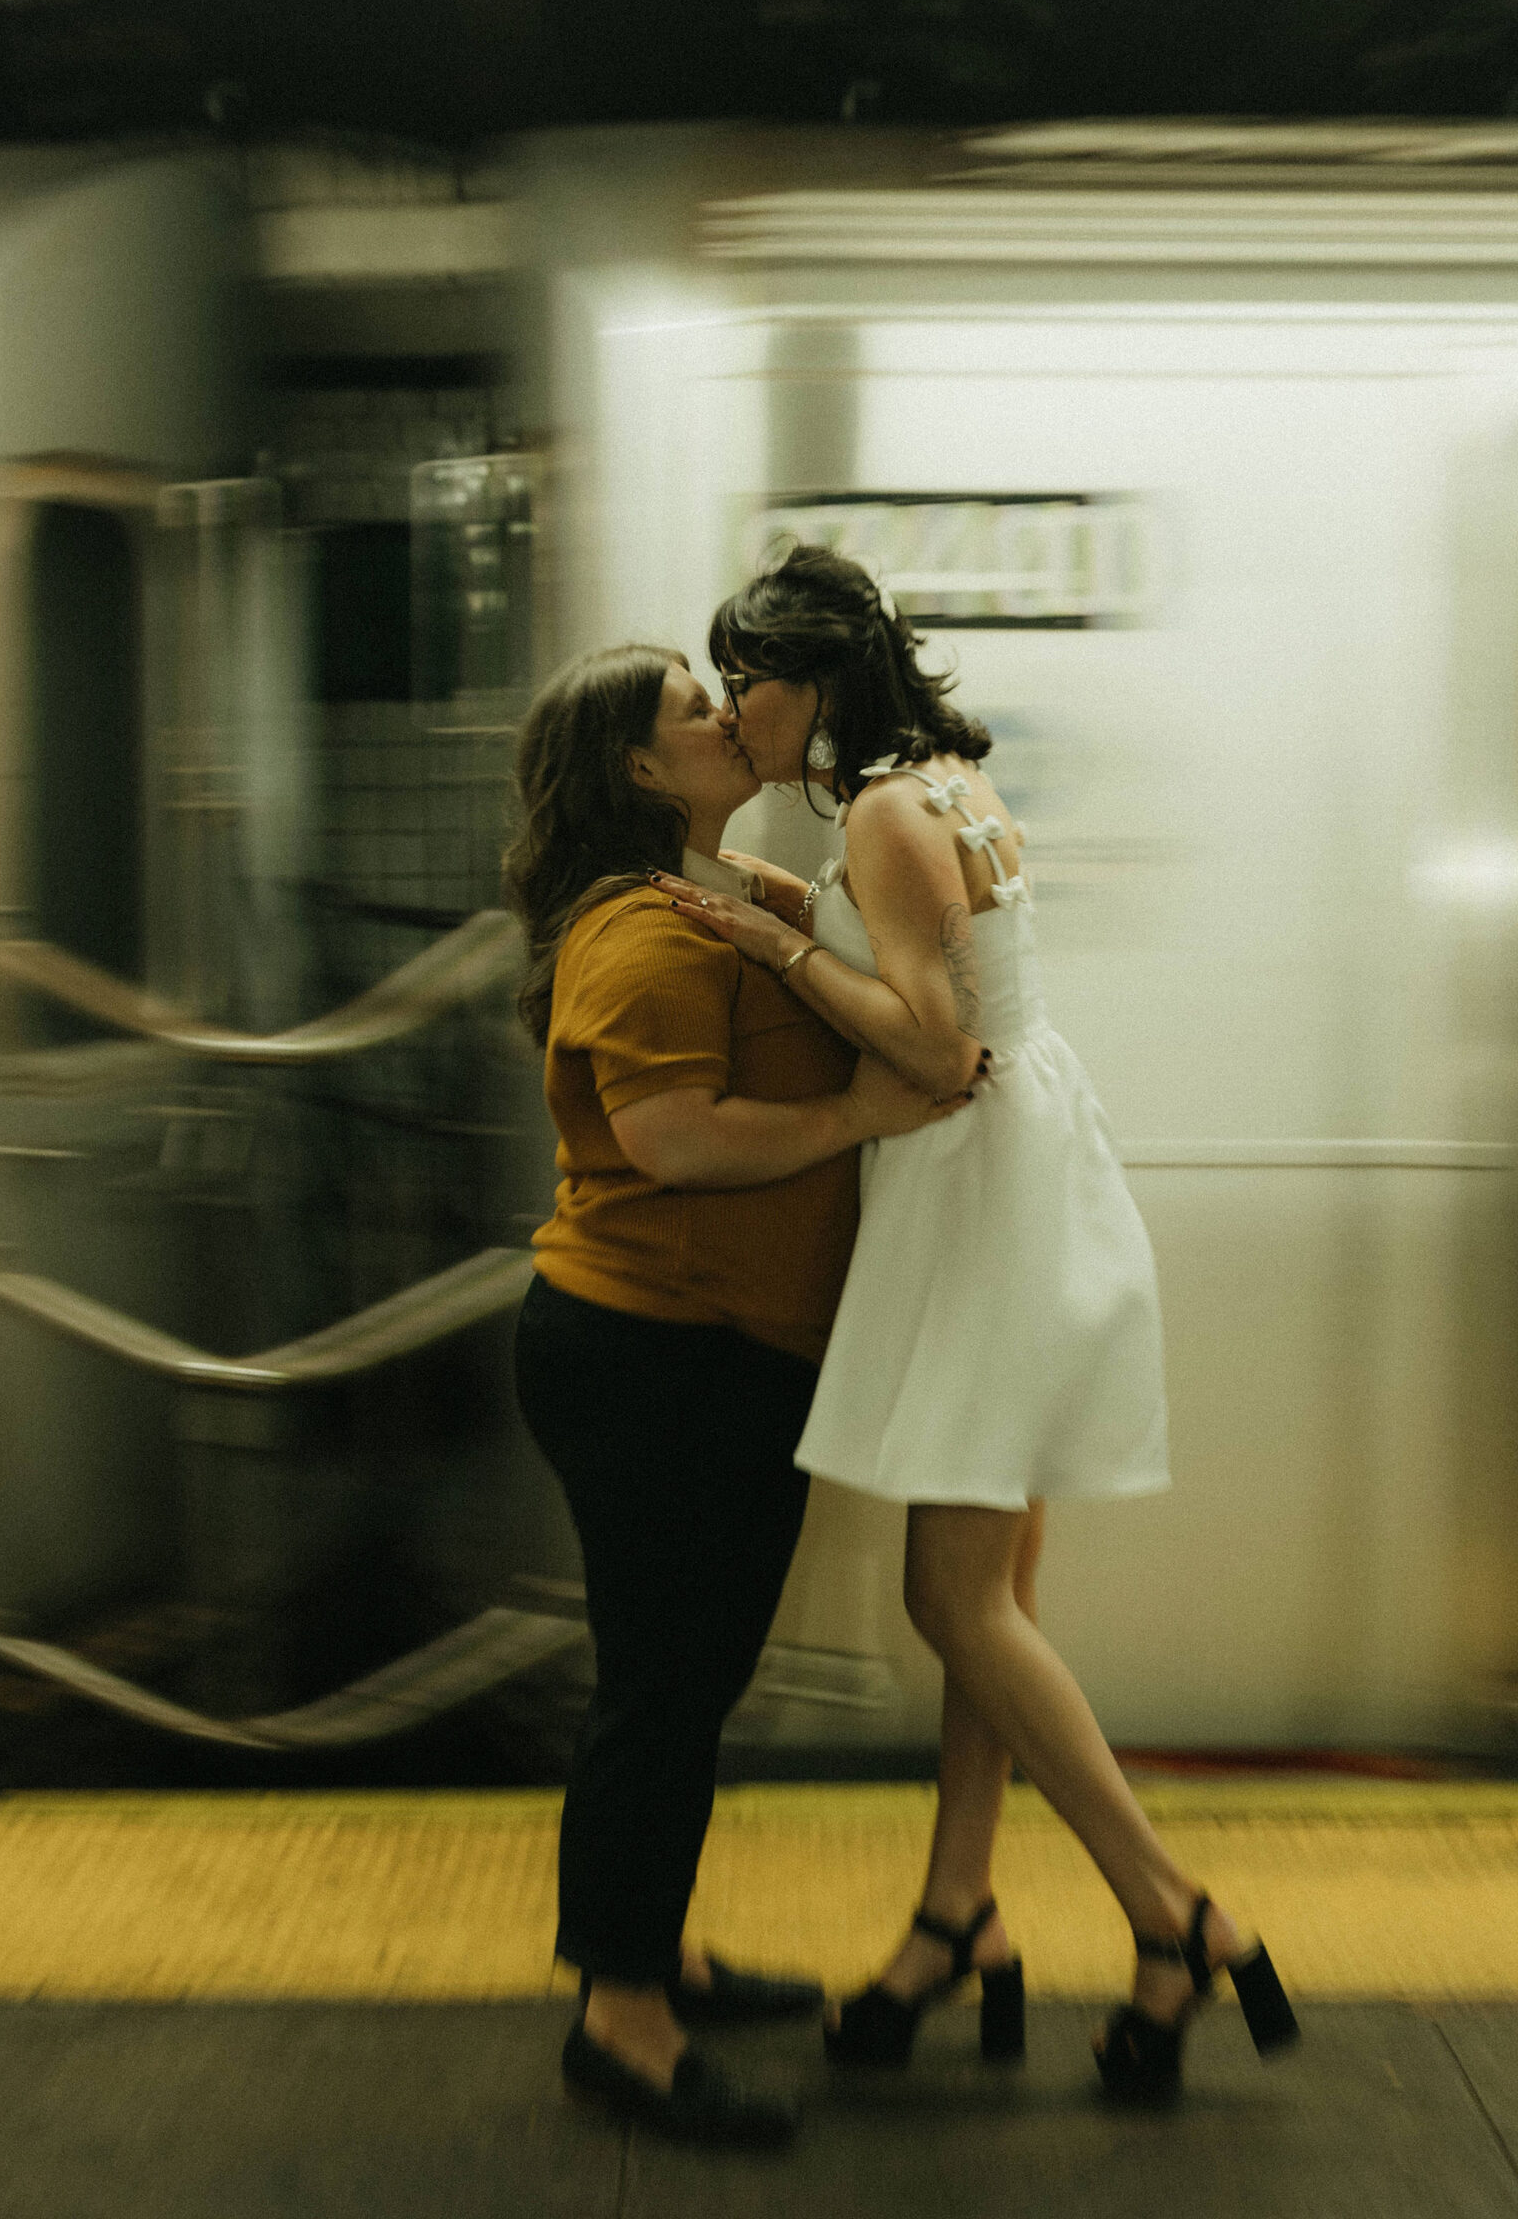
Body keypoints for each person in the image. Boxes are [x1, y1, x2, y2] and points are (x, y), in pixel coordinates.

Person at [654, 547, 1298, 2105]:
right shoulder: (943, 785)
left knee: (958, 1605)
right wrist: (766, 897)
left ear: (811, 682)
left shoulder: (878, 808)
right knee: (988, 1606)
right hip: (1032, 1178)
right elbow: (930, 959)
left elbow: (934, 1050)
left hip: (976, 1193)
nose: (741, 705)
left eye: (751, 678)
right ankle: (956, 1919)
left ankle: (1172, 1914)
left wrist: (771, 947)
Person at [503, 641, 973, 2152]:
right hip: (653, 1355)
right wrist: (857, 1110)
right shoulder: (642, 935)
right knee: (661, 1692)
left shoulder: (719, 897)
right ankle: (624, 2028)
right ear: (640, 770)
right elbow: (676, 1142)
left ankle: (660, 1957)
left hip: (706, 1352)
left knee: (681, 1683)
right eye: (695, 713)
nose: (728, 719)